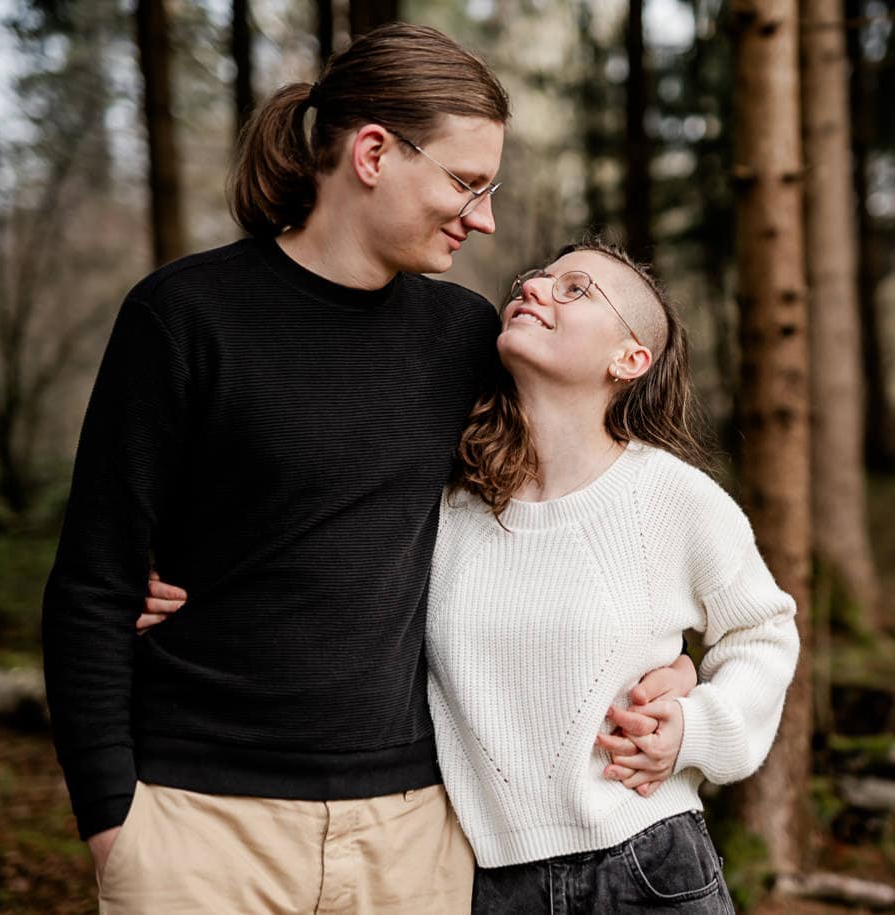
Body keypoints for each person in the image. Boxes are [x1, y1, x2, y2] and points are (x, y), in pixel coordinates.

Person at [42, 24, 693, 914]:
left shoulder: (467, 338)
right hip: (199, 820)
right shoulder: (184, 316)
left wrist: (668, 658)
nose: (486, 218)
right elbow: (90, 585)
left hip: (413, 828)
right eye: (467, 184)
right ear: (374, 152)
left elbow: (575, 506)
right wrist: (113, 821)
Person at [145, 241, 801, 913]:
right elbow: (317, 553)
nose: (536, 288)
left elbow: (763, 630)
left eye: (575, 290)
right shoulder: (448, 502)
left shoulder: (671, 498)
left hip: (647, 861)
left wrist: (696, 726)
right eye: (535, 278)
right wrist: (174, 564)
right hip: (483, 882)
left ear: (629, 359)